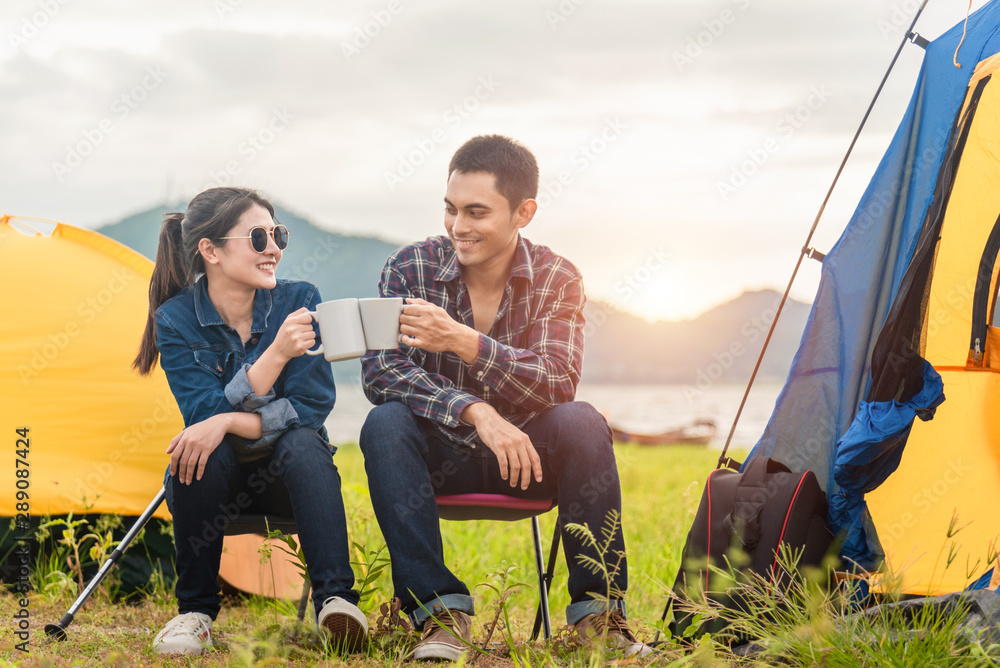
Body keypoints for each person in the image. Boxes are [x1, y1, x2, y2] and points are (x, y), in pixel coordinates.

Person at [360, 135, 652, 660]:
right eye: (450, 209)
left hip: (527, 460)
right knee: (384, 422)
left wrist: (463, 342)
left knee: (582, 419)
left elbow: (558, 379)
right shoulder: (411, 268)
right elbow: (381, 372)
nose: (458, 227)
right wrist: (474, 410)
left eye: (476, 212)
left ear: (524, 212)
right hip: (437, 458)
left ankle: (599, 618)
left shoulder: (556, 276)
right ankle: (440, 616)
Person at [133, 187, 366, 655]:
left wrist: (225, 421)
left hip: (292, 477)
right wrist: (275, 355)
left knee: (302, 442)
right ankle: (194, 612)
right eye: (258, 237)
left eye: (277, 234)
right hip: (213, 482)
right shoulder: (175, 319)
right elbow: (204, 417)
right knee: (199, 447)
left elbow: (311, 406)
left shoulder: (300, 299)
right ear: (211, 250)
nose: (274, 247)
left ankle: (336, 603)